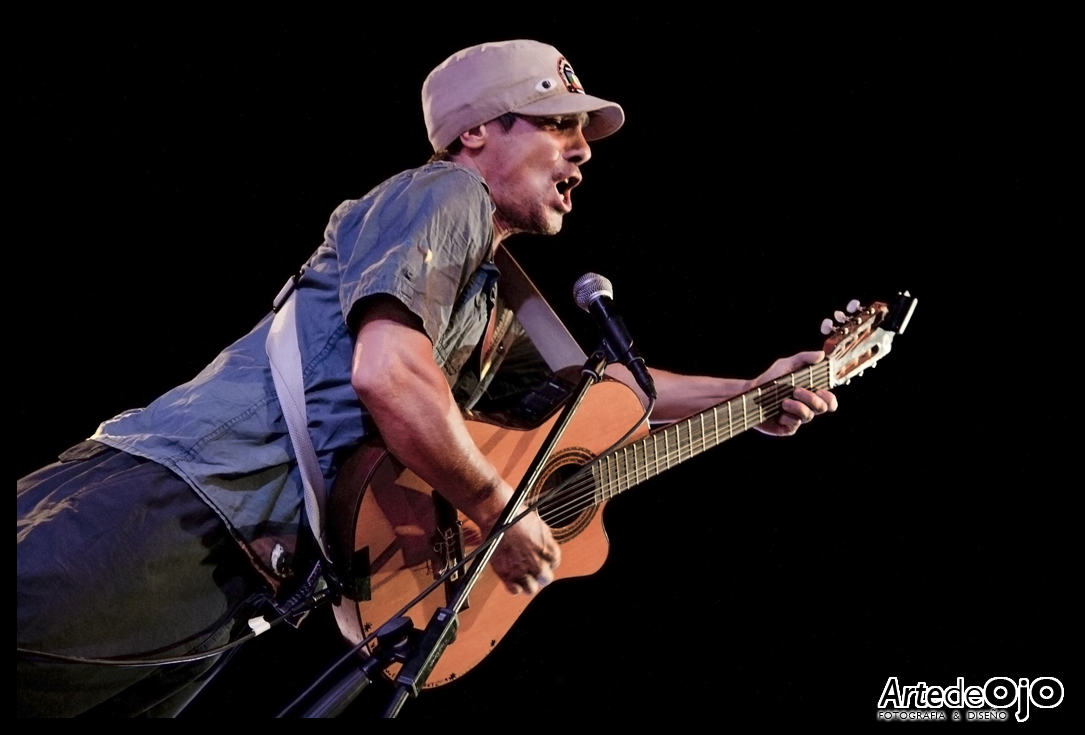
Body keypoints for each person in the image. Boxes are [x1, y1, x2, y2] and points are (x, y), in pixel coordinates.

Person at [16, 39, 836, 717]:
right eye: (557, 123)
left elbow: (608, 399)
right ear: (475, 132)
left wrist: (750, 392)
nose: (583, 149)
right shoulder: (446, 193)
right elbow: (390, 372)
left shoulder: (487, 306)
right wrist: (499, 507)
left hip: (240, 571)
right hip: (173, 499)